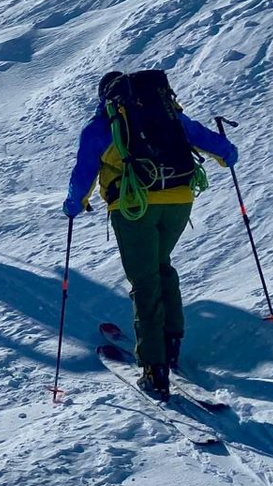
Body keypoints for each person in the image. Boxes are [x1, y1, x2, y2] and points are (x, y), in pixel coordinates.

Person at [63, 70, 237, 400]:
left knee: (145, 281)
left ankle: (154, 368)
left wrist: (74, 204)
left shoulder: (103, 126)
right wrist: (227, 155)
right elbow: (216, 146)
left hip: (134, 206)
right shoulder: (165, 113)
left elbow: (83, 174)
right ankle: (172, 342)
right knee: (161, 265)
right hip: (179, 200)